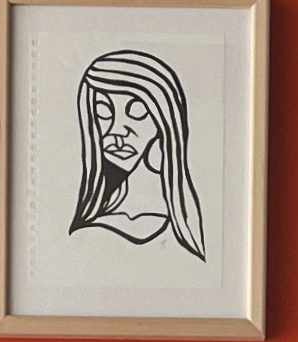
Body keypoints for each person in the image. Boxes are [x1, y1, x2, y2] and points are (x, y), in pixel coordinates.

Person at [70, 50, 206, 260]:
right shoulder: (88, 233)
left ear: (164, 120)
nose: (118, 130)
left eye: (138, 111)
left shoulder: (182, 232)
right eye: (103, 112)